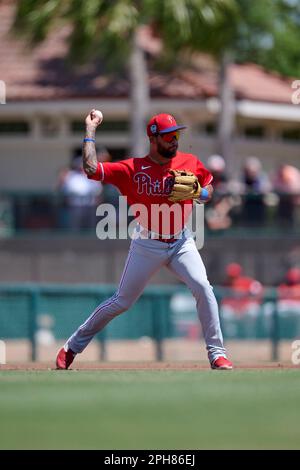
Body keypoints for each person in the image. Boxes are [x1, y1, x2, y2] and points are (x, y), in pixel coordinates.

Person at [56, 110, 233, 370]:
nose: (175, 140)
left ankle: (217, 353)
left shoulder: (189, 161)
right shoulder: (131, 169)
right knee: (122, 302)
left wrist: (199, 191)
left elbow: (209, 189)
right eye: (169, 136)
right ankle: (71, 347)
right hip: (147, 242)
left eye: (176, 135)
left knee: (203, 288)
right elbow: (91, 169)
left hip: (181, 241)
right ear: (154, 138)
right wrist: (90, 130)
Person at [57, 152, 103, 230]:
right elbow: (63, 188)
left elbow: (98, 191)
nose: (82, 166)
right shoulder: (71, 175)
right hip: (75, 206)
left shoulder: (93, 175)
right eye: (81, 164)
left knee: (90, 228)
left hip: (90, 206)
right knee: (75, 228)